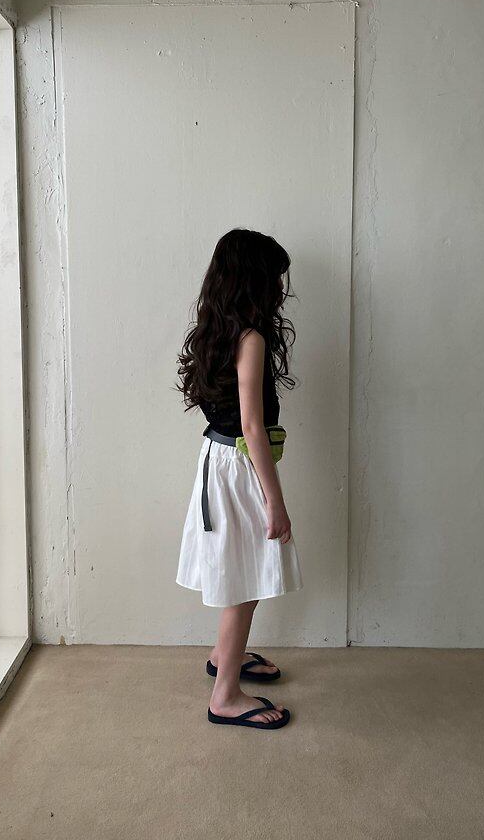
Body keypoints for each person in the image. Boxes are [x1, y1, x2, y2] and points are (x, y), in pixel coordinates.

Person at [176, 228, 303, 730]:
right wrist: (276, 501)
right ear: (253, 280)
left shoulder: (217, 331)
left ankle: (222, 654)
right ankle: (225, 696)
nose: (280, 287)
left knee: (238, 568)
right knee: (245, 581)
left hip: (219, 458)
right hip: (239, 464)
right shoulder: (250, 338)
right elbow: (253, 427)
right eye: (274, 277)